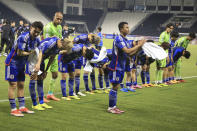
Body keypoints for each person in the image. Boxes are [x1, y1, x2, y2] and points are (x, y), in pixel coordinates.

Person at [5, 21, 43, 117]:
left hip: (21, 64)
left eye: (38, 32)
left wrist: (38, 63)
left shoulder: (37, 39)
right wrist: (32, 52)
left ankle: (22, 107)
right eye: (35, 31)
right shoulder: (24, 37)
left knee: (21, 85)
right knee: (13, 85)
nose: (36, 34)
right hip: (12, 62)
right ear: (31, 28)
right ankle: (13, 109)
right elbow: (19, 53)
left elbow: (41, 51)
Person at [107, 22, 145, 114]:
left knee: (116, 86)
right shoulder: (118, 39)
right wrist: (138, 45)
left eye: (128, 27)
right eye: (126, 27)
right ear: (121, 29)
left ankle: (113, 106)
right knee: (115, 86)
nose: (128, 29)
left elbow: (130, 54)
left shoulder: (126, 40)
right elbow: (127, 51)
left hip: (121, 67)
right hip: (116, 67)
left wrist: (139, 49)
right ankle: (111, 107)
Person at [27, 37, 73, 111]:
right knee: (33, 79)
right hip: (34, 59)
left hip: (41, 60)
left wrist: (46, 70)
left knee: (40, 79)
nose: (62, 49)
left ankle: (41, 102)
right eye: (63, 48)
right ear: (61, 43)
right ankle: (34, 104)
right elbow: (40, 52)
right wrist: (37, 65)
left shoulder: (59, 46)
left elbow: (52, 57)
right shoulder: (51, 43)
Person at [43, 12, 63, 101]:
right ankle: (40, 96)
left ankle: (50, 94)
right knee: (42, 74)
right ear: (54, 17)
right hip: (46, 54)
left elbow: (59, 39)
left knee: (55, 74)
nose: (59, 20)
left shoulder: (60, 27)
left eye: (60, 19)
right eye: (57, 18)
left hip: (54, 54)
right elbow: (46, 42)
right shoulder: (48, 27)